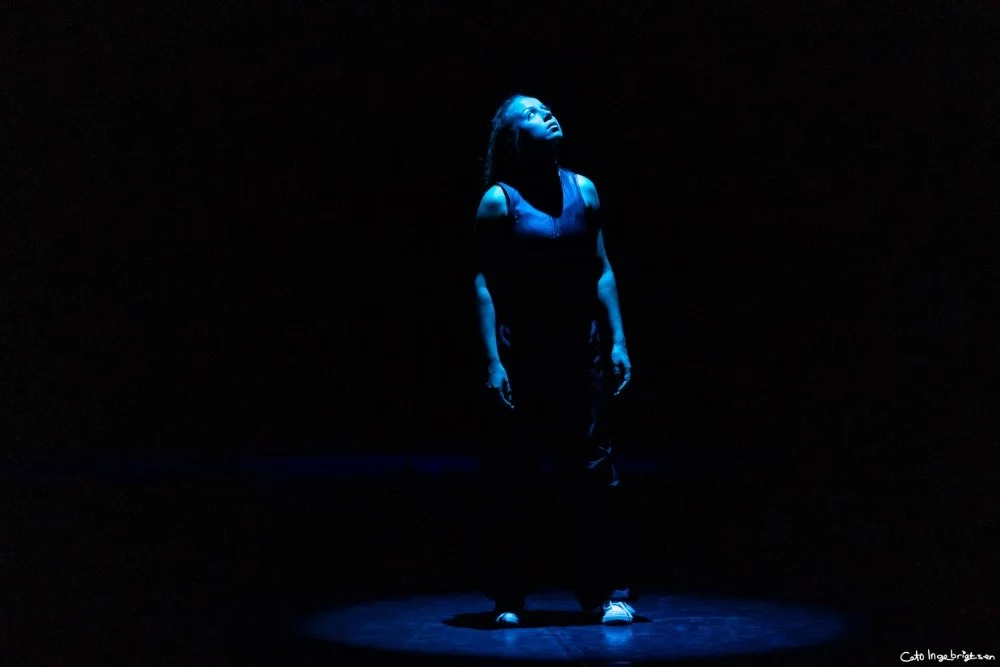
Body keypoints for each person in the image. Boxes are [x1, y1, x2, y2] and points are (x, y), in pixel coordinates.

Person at [471, 93, 636, 627]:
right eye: (531, 114)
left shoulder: (583, 189)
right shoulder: (499, 201)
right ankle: (509, 596)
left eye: (546, 108)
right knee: (515, 474)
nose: (546, 114)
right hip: (524, 356)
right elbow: (483, 283)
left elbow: (602, 269)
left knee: (593, 471)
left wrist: (618, 340)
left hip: (579, 355)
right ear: (514, 138)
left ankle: (605, 591)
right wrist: (492, 361)